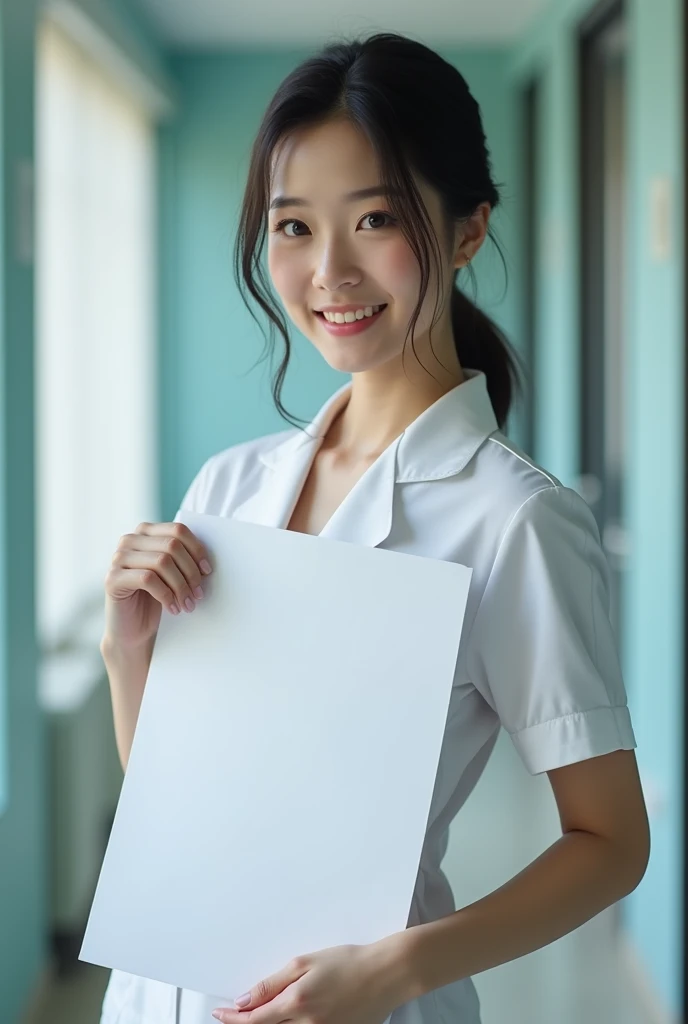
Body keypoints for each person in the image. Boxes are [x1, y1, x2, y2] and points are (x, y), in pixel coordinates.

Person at [98, 32, 649, 1024]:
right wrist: (123, 646)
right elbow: (177, 800)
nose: (329, 271)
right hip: (158, 997)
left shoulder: (515, 519)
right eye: (293, 227)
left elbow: (611, 842)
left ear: (468, 228)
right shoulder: (227, 487)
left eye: (376, 219)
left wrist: (396, 972)